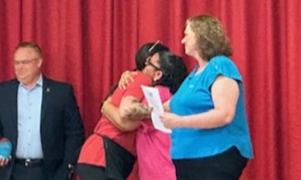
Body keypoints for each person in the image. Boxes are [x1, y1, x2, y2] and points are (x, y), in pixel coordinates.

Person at [160, 14, 254, 180]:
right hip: (188, 157)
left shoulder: (220, 65)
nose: (182, 41)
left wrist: (179, 122)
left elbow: (224, 114)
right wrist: (145, 109)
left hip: (215, 154)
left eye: (187, 35)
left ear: (201, 37)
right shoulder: (194, 74)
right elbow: (173, 104)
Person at [0, 42, 85, 180]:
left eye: (24, 62)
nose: (19, 68)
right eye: (16, 63)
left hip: (49, 173)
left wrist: (66, 169)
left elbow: (75, 134)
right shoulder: (3, 92)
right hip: (11, 172)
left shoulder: (61, 93)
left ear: (39, 62)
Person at [75, 42, 169, 180]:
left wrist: (106, 106)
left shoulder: (132, 78)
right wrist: (106, 106)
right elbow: (124, 120)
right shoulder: (142, 80)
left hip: (100, 155)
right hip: (104, 155)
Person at [102, 50, 188, 180]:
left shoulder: (156, 94)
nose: (142, 66)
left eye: (148, 63)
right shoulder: (173, 95)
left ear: (158, 74)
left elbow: (125, 112)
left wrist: (106, 106)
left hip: (158, 172)